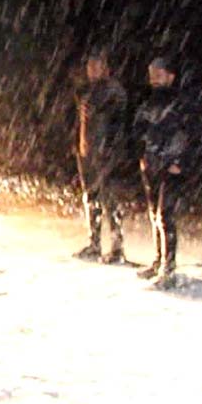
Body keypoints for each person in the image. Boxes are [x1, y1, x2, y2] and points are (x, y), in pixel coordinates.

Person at [134, 56, 196, 288]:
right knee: (153, 214)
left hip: (171, 166)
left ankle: (168, 269)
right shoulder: (148, 101)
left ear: (171, 76)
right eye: (151, 74)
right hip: (150, 163)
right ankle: (158, 260)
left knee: (165, 215)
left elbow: (188, 133)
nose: (154, 78)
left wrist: (179, 160)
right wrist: (141, 153)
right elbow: (138, 128)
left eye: (159, 74)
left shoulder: (180, 102)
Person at [73, 46, 129, 263]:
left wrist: (112, 149)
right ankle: (94, 242)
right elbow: (81, 121)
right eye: (90, 65)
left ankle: (117, 247)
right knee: (91, 197)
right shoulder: (87, 92)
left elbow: (118, 123)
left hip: (107, 153)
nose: (92, 69)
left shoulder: (115, 92)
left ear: (107, 68)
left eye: (98, 65)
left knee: (110, 198)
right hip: (88, 151)